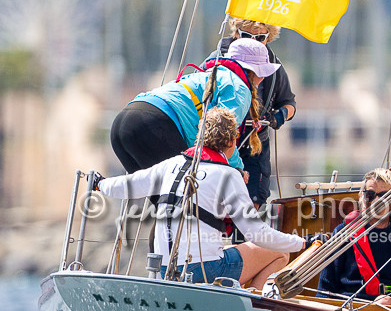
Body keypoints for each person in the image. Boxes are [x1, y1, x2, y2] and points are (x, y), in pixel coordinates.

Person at [89, 107, 307, 286]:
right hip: (204, 270)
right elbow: (256, 233)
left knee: (231, 252)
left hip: (164, 270)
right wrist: (301, 242)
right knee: (278, 253)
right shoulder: (228, 175)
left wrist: (99, 184)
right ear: (232, 141)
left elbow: (127, 185)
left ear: (199, 136)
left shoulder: (172, 164)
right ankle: (251, 309)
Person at [108, 38, 279, 174]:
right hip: (155, 124)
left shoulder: (208, 75)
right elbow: (224, 134)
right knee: (185, 198)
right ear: (255, 71)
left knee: (161, 197)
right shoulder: (238, 87)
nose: (264, 77)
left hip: (123, 123)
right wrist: (238, 170)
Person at [209, 18, 296, 205]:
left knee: (254, 200)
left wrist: (279, 116)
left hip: (256, 143)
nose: (253, 41)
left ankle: (246, 224)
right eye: (247, 36)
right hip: (219, 142)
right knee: (216, 201)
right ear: (236, 34)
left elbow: (289, 103)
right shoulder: (214, 62)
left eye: (260, 38)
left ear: (268, 38)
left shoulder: (275, 67)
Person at [317, 168, 391, 307]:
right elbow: (325, 288)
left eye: (385, 195)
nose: (377, 201)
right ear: (362, 196)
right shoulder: (344, 232)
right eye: (370, 195)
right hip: (350, 308)